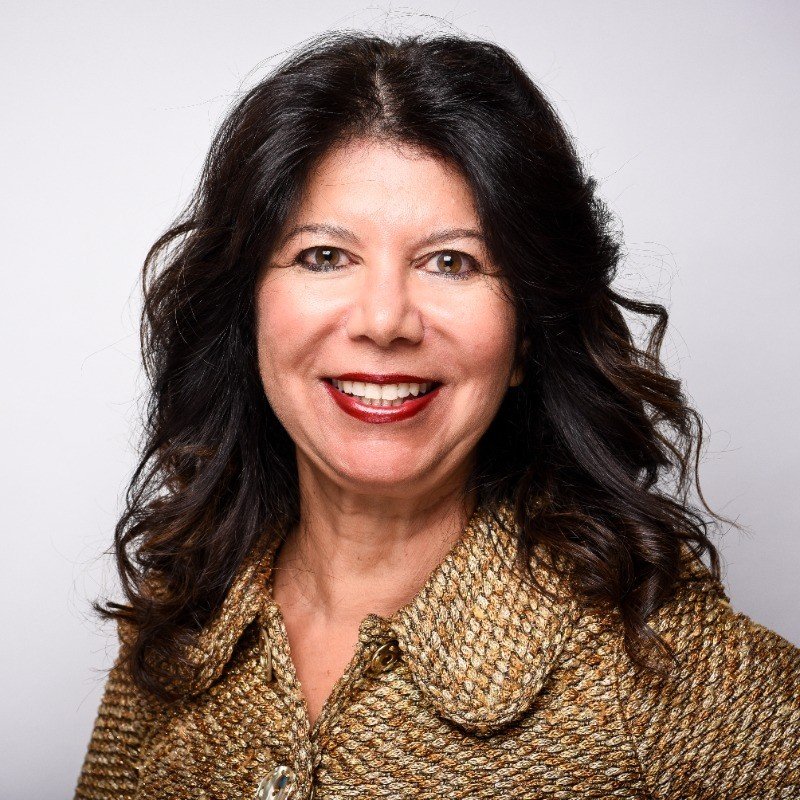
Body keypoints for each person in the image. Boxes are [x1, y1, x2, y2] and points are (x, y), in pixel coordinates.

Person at [73, 31, 799, 800]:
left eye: (451, 262)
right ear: (247, 313)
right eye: (325, 256)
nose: (385, 320)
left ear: (526, 335)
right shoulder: (185, 620)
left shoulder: (648, 661)